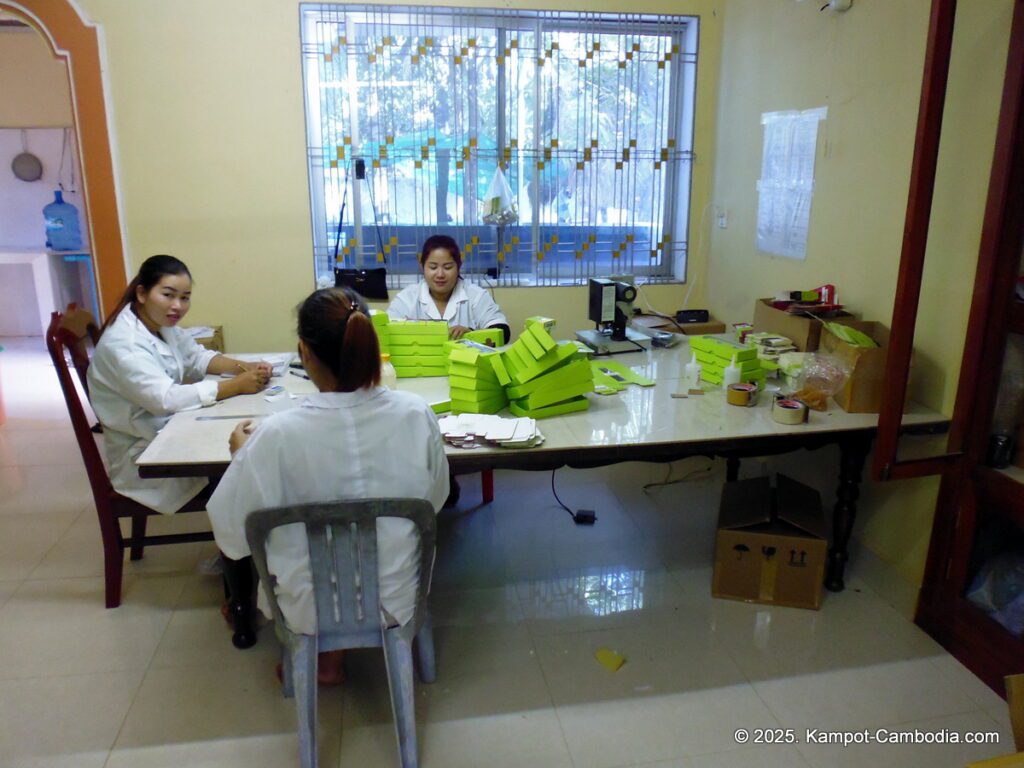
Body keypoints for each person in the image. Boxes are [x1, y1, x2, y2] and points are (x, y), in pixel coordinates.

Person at [207, 286, 449, 683]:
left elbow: (231, 533)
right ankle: (339, 656)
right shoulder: (415, 414)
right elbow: (435, 501)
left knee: (292, 548)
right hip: (397, 598)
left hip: (308, 610)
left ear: (304, 353)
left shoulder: (277, 435)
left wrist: (242, 457)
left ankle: (324, 657)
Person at [88, 254, 271, 515]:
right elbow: (165, 399)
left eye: (184, 297)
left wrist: (244, 367)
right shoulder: (125, 343)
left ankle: (239, 541)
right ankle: (237, 551)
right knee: (244, 466)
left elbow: (196, 357)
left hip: (165, 431)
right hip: (145, 456)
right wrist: (235, 386)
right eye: (168, 295)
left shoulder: (159, 324)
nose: (178, 306)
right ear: (142, 293)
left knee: (244, 443)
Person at [387, 234, 511, 344]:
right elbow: (385, 331)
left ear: (458, 266)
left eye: (447, 267)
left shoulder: (475, 295)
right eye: (433, 267)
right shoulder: (407, 298)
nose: (440, 274)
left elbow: (502, 331)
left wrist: (471, 335)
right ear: (422, 266)